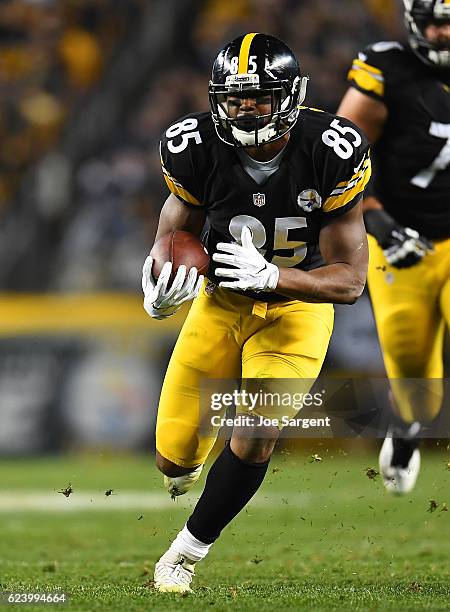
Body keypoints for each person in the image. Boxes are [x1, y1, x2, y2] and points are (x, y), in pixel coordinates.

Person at [142, 33, 371, 593]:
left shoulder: (330, 149)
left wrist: (276, 276)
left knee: (254, 432)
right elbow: (172, 235)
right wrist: (156, 284)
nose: (246, 108)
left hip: (298, 307)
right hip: (220, 304)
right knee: (172, 461)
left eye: (260, 97)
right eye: (235, 97)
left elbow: (350, 280)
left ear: (290, 96)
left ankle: (182, 556)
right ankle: (189, 467)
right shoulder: (195, 145)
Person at [337, 0, 450, 495]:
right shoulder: (387, 69)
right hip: (403, 239)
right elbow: (338, 154)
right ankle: (407, 428)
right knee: (412, 374)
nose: (443, 33)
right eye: (435, 23)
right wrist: (377, 219)